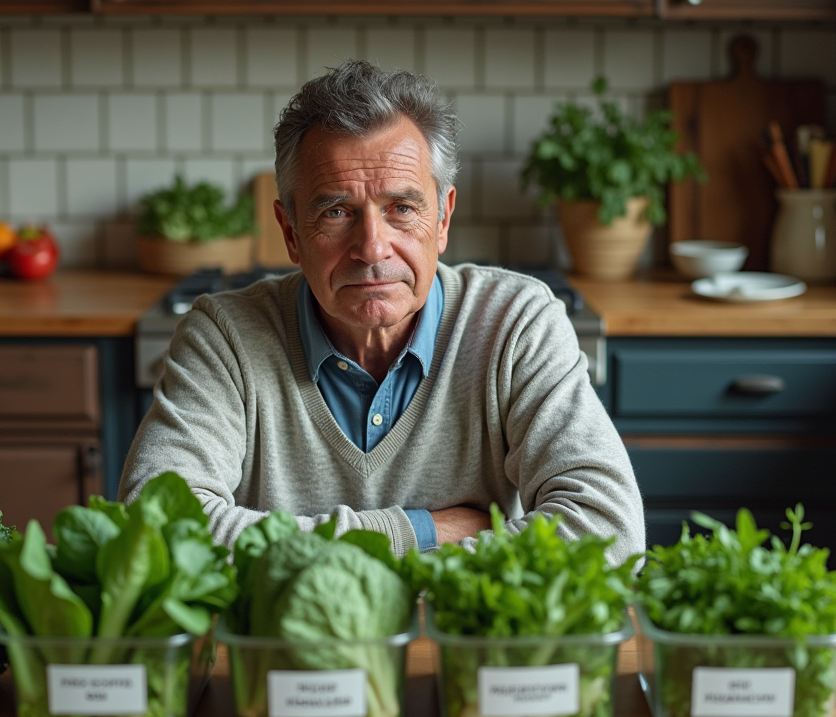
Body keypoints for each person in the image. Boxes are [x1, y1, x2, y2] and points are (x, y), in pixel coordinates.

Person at [120, 60, 644, 566]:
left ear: (442, 219)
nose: (373, 247)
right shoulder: (224, 337)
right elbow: (158, 527)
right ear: (290, 233)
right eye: (336, 212)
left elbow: (610, 529)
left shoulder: (516, 323)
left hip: (461, 647)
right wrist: (423, 531)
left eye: (402, 208)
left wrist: (302, 548)